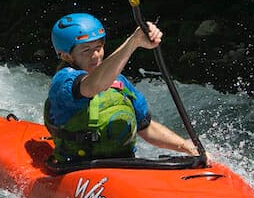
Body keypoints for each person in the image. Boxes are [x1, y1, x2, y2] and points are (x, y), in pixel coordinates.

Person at [45, 12, 200, 164]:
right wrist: (133, 41)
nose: (96, 55)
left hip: (123, 166)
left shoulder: (119, 81)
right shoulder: (63, 81)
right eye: (86, 50)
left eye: (98, 47)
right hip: (77, 167)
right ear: (66, 56)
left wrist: (187, 147)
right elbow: (93, 86)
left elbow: (146, 127)